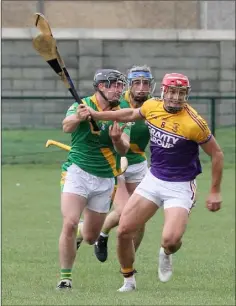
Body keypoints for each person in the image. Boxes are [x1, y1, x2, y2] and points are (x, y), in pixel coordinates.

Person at [86, 72, 224, 292]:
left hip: (180, 185)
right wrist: (96, 114)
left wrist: (215, 191)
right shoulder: (152, 106)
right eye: (172, 91)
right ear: (163, 91)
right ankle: (128, 280)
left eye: (181, 93)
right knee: (123, 231)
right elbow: (130, 113)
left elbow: (217, 154)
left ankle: (166, 253)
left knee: (170, 240)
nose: (176, 97)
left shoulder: (194, 123)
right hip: (154, 179)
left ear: (186, 95)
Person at [57, 69, 131, 290]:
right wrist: (77, 117)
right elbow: (66, 126)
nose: (118, 90)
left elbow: (124, 148)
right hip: (77, 171)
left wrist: (117, 140)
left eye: (120, 85)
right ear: (100, 86)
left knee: (89, 237)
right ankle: (65, 277)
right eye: (113, 85)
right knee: (69, 222)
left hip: (105, 178)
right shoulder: (83, 104)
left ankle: (83, 231)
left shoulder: (122, 111)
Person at [94, 65, 154, 263]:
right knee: (124, 212)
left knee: (140, 218)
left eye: (146, 83)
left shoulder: (155, 106)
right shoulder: (117, 102)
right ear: (129, 85)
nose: (141, 88)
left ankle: (128, 264)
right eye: (137, 83)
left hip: (138, 163)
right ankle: (102, 234)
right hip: (115, 163)